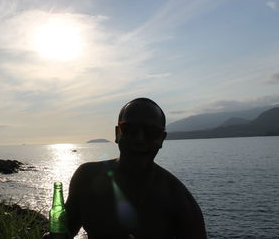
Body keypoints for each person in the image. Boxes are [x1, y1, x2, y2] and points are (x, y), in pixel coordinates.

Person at [47, 98, 207, 239]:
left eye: (151, 132)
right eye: (128, 129)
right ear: (117, 134)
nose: (139, 139)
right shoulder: (86, 178)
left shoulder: (178, 198)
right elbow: (66, 229)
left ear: (162, 139)